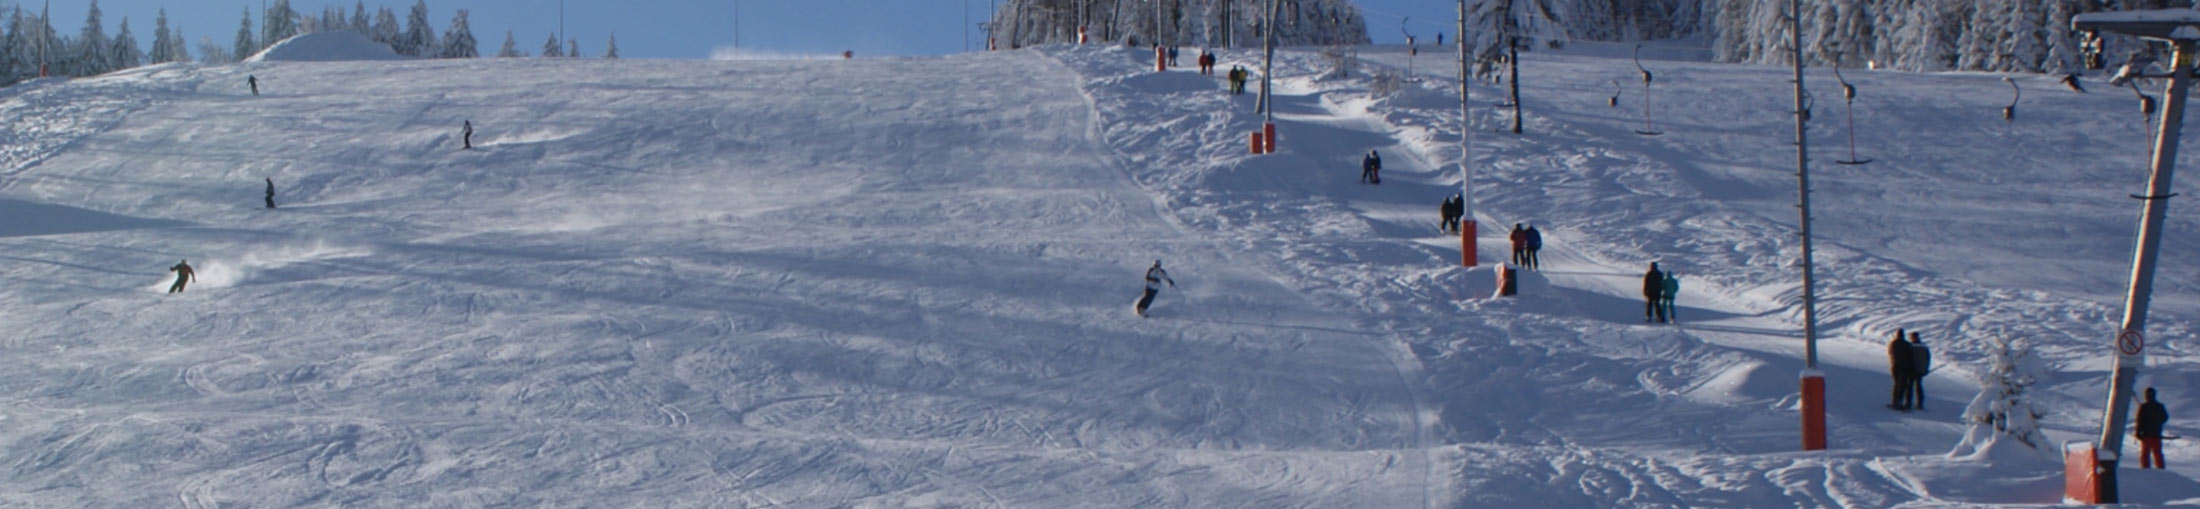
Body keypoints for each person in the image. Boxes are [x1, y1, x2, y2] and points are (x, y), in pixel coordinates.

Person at [2136, 387, 2170, 469]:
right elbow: (2165, 418)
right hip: (2157, 434)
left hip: (2146, 435)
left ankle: (2145, 469)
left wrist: (2138, 432)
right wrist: (2157, 423)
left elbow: (2139, 420)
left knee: (2145, 453)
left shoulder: (2144, 407)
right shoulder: (2160, 406)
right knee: (2157, 453)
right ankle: (2161, 468)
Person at [1887, 329, 1915, 411]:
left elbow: (1890, 353)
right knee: (1902, 385)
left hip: (1894, 366)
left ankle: (1894, 401)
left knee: (1896, 384)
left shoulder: (1892, 344)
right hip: (1904, 367)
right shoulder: (1907, 344)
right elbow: (1910, 356)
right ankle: (1900, 402)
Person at [1908, 331, 1931, 411]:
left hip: (1912, 369)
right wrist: (1926, 369)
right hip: (1921, 370)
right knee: (1919, 387)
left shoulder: (1910, 346)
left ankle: (1909, 403)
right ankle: (1920, 404)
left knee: (1910, 387)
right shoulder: (1924, 347)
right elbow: (1928, 359)